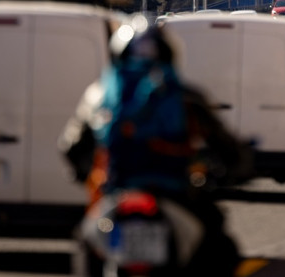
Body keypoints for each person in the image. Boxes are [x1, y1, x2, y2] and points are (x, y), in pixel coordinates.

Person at [60, 16, 250, 275]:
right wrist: (233, 169)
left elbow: (71, 147)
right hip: (175, 195)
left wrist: (85, 174)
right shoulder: (186, 97)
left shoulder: (99, 96)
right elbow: (228, 148)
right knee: (222, 250)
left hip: (118, 193)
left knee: (86, 243)